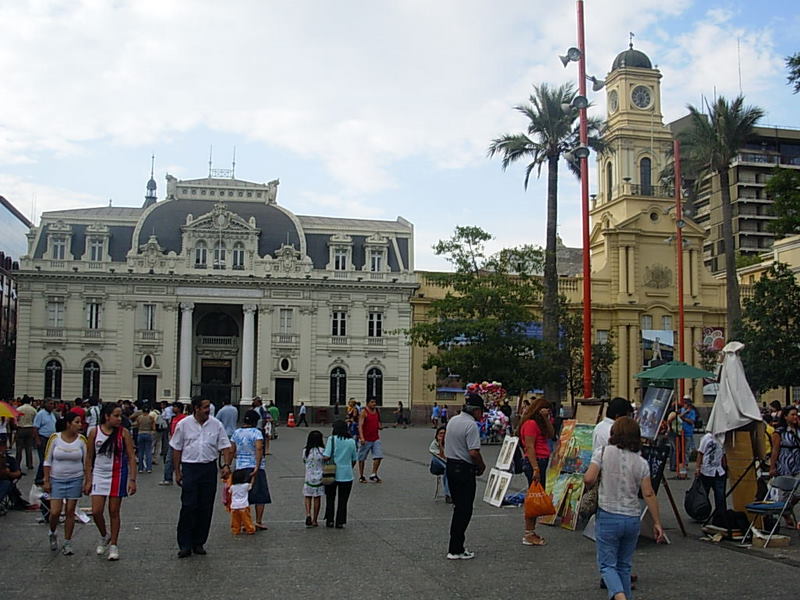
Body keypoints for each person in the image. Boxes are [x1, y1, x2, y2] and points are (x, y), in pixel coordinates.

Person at [584, 417, 665, 600]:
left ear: (614, 433)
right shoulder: (641, 462)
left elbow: (589, 478)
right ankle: (624, 594)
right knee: (624, 565)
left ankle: (620, 597)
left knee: (607, 565)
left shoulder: (602, 453)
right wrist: (657, 523)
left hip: (608, 514)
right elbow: (649, 493)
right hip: (632, 517)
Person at [171, 396, 233, 558]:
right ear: (196, 408)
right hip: (190, 467)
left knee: (205, 506)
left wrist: (226, 465)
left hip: (208, 468)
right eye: (205, 407)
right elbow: (176, 449)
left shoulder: (216, 424)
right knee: (188, 505)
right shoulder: (183, 425)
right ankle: (184, 543)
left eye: (208, 407)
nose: (208, 410)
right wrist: (177, 471)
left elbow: (225, 446)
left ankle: (199, 542)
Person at [84, 403, 137, 561]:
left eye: (120, 415)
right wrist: (88, 479)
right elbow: (89, 457)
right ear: (107, 416)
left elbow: (131, 456)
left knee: (114, 511)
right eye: (116, 415)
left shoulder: (124, 433)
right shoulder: (94, 432)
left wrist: (132, 479)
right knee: (96, 511)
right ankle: (104, 534)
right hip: (99, 473)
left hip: (118, 474)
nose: (119, 419)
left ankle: (114, 544)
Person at [444, 393, 486, 560]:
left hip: (451, 466)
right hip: (464, 468)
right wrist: (482, 466)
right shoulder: (471, 425)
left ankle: (455, 545)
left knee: (458, 508)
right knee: (465, 509)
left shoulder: (453, 421)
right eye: (481, 411)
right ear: (475, 410)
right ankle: (456, 548)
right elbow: (473, 452)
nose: (481, 414)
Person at [43, 412, 87, 555]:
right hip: (57, 478)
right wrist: (46, 480)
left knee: (70, 511)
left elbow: (86, 462)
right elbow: (47, 460)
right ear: (68, 423)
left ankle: (68, 541)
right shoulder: (55, 438)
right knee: (55, 511)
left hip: (76, 477)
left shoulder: (81, 440)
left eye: (81, 422)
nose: (80, 425)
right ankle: (52, 531)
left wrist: (88, 480)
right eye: (77, 422)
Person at [517, 397, 554, 546]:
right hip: (535, 461)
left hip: (541, 460)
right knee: (533, 497)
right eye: (545, 409)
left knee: (537, 495)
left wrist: (546, 419)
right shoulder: (531, 423)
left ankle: (531, 531)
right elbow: (530, 447)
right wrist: (535, 468)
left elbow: (551, 434)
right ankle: (528, 533)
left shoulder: (539, 423)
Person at [230, 410, 270, 531]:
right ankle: (258, 521)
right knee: (260, 495)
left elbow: (232, 450)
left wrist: (228, 464)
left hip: (240, 466)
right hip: (255, 466)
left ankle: (243, 521)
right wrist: (257, 466)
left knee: (242, 495)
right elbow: (258, 448)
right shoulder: (256, 433)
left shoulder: (237, 432)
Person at [323, 420, 358, 528]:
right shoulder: (351, 441)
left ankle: (330, 520)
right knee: (343, 499)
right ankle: (340, 521)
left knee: (330, 498)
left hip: (332, 473)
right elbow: (354, 458)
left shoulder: (331, 439)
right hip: (347, 474)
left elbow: (327, 455)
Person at [695, 431, 727, 524]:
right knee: (704, 494)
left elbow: (723, 454)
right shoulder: (706, 438)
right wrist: (698, 468)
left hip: (718, 470)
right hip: (706, 470)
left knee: (720, 495)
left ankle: (720, 515)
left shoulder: (722, 438)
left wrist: (725, 467)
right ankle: (701, 512)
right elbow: (700, 453)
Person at [302, 430, 326, 527]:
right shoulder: (322, 451)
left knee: (307, 496)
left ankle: (308, 514)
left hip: (309, 476)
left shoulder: (306, 451)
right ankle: (315, 519)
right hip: (319, 477)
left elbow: (304, 461)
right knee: (317, 497)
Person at [160, 402, 187, 486]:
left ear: (179, 408)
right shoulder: (173, 418)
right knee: (169, 460)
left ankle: (184, 477)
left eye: (175, 407)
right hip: (173, 441)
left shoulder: (184, 418)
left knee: (183, 461)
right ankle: (168, 478)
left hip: (182, 442)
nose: (173, 409)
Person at [357, 398, 383, 483]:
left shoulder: (377, 411)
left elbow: (378, 422)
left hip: (375, 438)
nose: (374, 404)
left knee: (378, 456)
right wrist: (361, 437)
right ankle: (361, 476)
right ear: (367, 403)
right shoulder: (364, 412)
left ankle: (373, 474)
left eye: (375, 402)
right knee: (362, 458)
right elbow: (360, 425)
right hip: (366, 439)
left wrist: (379, 426)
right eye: (372, 402)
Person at [770, 406, 800, 477]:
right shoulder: (779, 432)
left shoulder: (798, 430)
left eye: (796, 415)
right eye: (792, 415)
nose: (795, 417)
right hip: (785, 465)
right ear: (785, 417)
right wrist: (772, 467)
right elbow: (775, 450)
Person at [33, 399, 58, 485]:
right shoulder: (41, 414)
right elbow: (35, 428)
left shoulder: (52, 414)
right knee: (44, 459)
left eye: (53, 404)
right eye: (50, 404)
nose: (52, 405)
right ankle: (39, 477)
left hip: (51, 439)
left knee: (49, 458)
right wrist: (37, 440)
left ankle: (46, 476)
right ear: (45, 404)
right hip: (43, 438)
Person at [229, 468, 256, 535]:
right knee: (246, 519)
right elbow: (251, 485)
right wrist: (253, 477)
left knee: (235, 520)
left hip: (234, 506)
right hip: (243, 505)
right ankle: (250, 529)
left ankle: (236, 530)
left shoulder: (232, 487)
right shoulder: (245, 486)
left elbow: (229, 492)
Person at [429, 425, 450, 502]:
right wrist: (440, 444)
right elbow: (442, 457)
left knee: (447, 470)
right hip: (436, 466)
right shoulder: (434, 444)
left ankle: (448, 494)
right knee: (435, 458)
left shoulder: (450, 444)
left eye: (444, 433)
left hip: (447, 466)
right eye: (440, 433)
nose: (442, 435)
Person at [133, 404, 156, 473]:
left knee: (141, 452)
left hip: (140, 433)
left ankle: (140, 468)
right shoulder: (151, 418)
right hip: (148, 433)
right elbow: (154, 427)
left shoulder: (139, 417)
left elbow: (136, 425)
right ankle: (149, 468)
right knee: (148, 452)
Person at [15, 397, 37, 470]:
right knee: (29, 447)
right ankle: (29, 464)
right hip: (30, 428)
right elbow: (35, 420)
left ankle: (17, 464)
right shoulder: (33, 410)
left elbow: (16, 419)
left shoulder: (19, 409)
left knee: (19, 448)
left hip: (21, 428)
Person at [678, 396, 697, 467]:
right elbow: (679, 416)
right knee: (680, 448)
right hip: (681, 432)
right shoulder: (682, 410)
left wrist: (685, 418)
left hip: (688, 432)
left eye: (686, 403)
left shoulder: (692, 412)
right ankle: (681, 462)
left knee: (686, 449)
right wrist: (685, 412)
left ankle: (685, 462)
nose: (684, 405)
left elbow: (692, 421)